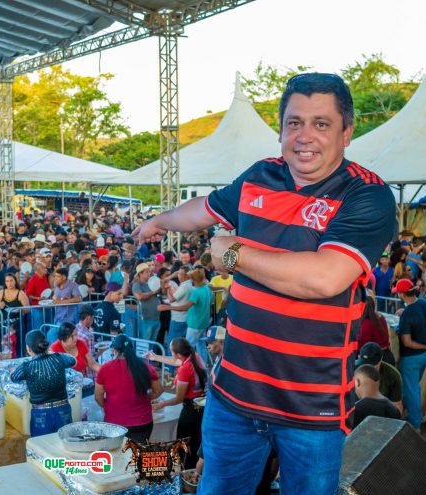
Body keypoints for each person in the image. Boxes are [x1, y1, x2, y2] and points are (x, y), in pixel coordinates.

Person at [134, 73, 396, 494]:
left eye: (321, 123)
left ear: (346, 132)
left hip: (312, 408)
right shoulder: (262, 175)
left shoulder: (365, 194)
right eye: (294, 123)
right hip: (233, 397)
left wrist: (232, 254)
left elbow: (324, 277)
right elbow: (206, 208)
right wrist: (159, 221)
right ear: (280, 131)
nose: (304, 136)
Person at [94, 334, 163, 443]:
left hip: (115, 423)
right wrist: (144, 398)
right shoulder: (146, 367)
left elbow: (98, 396)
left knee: (117, 457)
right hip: (142, 422)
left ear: (115, 351)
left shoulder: (105, 369)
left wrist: (109, 405)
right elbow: (158, 390)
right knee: (137, 456)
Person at [152, 338, 206, 469]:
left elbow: (179, 398)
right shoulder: (195, 356)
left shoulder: (184, 369)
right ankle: (192, 468)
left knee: (183, 442)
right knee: (194, 441)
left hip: (190, 410)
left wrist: (162, 404)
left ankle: (184, 470)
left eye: (172, 352)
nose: (171, 355)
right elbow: (174, 361)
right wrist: (155, 357)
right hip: (201, 405)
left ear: (179, 354)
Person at [11, 330, 76, 437]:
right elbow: (72, 360)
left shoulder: (27, 366)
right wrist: (51, 353)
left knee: (42, 448)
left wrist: (13, 370)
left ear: (28, 349)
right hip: (63, 410)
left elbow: (14, 377)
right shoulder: (58, 358)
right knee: (64, 446)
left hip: (40, 414)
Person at [393, 279, 426, 430]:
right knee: (414, 390)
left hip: (412, 357)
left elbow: (407, 342)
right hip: (425, 356)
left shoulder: (407, 315)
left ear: (401, 294)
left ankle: (414, 425)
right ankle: (414, 419)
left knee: (410, 392)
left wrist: (425, 346)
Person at [354, 342, 403, 414]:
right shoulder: (349, 369)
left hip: (379, 417)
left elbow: (397, 406)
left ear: (381, 360)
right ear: (359, 357)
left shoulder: (393, 375)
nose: (368, 370)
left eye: (373, 366)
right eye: (364, 365)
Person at [358, 291, 395, 366]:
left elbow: (363, 344)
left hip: (376, 359)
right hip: (387, 356)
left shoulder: (366, 324)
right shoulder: (381, 317)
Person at [132, 263, 162, 342]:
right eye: (147, 272)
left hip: (156, 317)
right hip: (145, 319)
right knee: (145, 343)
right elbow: (139, 296)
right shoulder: (137, 284)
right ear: (140, 274)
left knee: (152, 342)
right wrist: (152, 292)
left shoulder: (152, 282)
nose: (149, 273)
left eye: (149, 271)